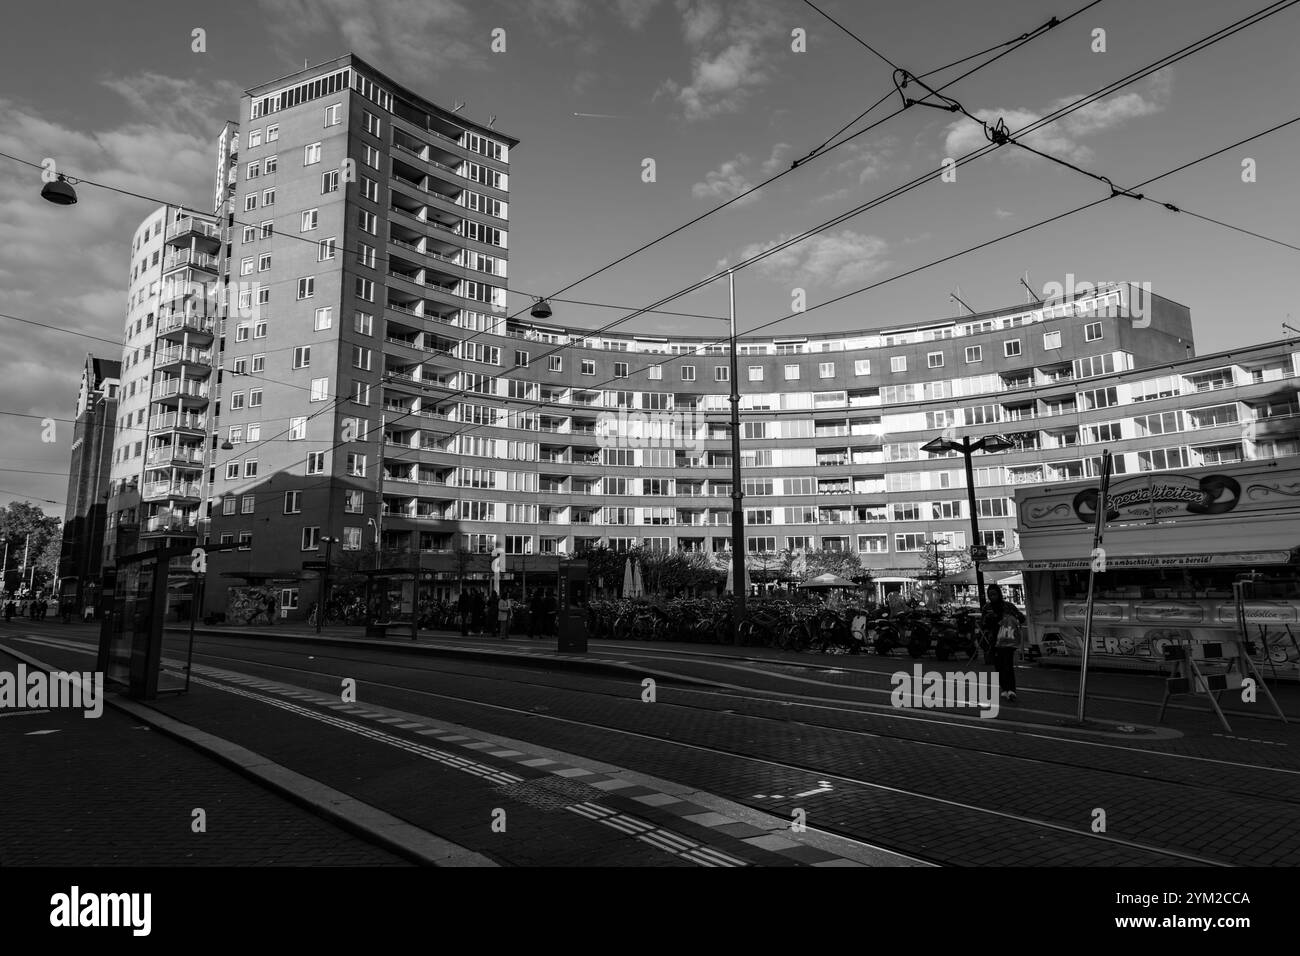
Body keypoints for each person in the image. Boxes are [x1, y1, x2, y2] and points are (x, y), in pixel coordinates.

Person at [982, 584, 1026, 703]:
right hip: (995, 641)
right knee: (999, 666)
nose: (993, 597)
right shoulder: (987, 608)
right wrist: (989, 619)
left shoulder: (1008, 606)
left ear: (999, 594)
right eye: (990, 595)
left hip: (1008, 640)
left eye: (994, 594)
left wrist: (1012, 617)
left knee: (1007, 665)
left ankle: (1011, 689)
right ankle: (1005, 688)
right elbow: (984, 624)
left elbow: (1021, 618)